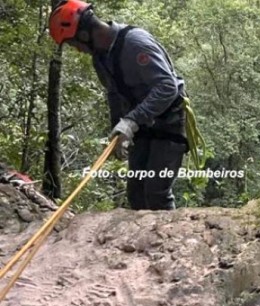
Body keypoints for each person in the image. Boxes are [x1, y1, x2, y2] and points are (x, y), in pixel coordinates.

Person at [49, 0, 188, 210]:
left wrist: (131, 121)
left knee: (156, 192)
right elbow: (114, 93)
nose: (76, 49)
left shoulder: (136, 44)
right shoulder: (100, 58)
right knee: (136, 193)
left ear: (85, 35)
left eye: (72, 43)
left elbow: (167, 87)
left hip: (168, 120)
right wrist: (117, 128)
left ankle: (169, 240)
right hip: (141, 124)